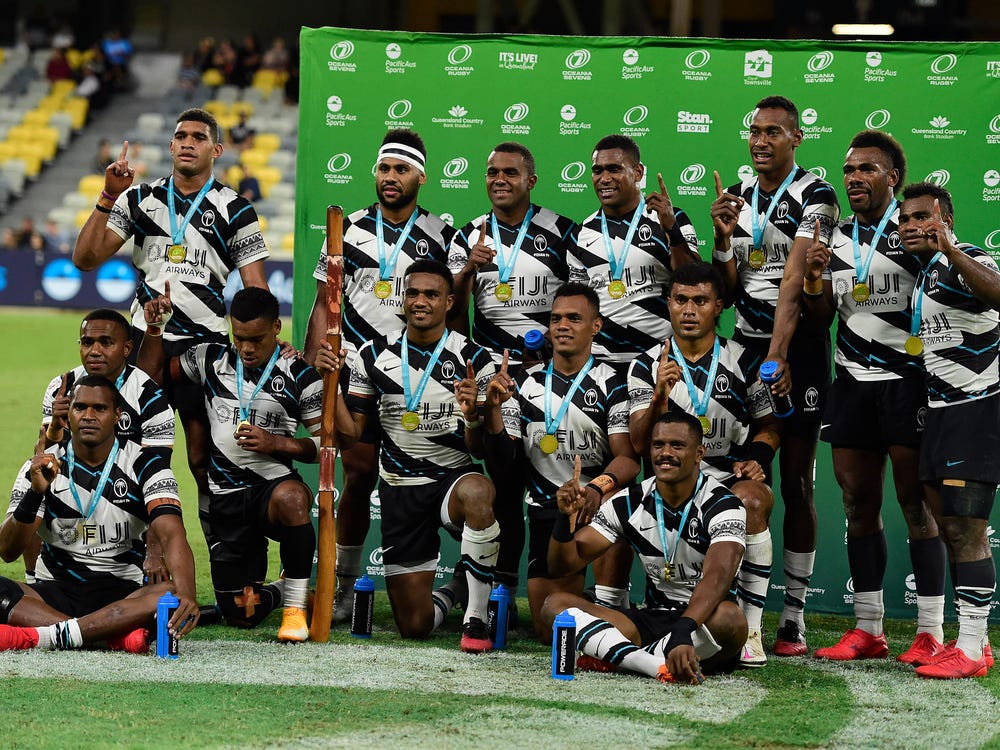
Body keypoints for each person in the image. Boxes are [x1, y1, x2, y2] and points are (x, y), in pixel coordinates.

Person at [72, 107, 270, 568]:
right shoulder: (140, 198)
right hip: (144, 342)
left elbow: (256, 289)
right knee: (135, 454)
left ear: (215, 150)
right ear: (170, 146)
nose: (187, 142)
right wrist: (107, 196)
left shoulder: (235, 208)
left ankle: (223, 559)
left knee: (204, 459)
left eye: (198, 137)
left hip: (206, 347)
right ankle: (140, 561)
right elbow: (85, 258)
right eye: (180, 135)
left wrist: (259, 348)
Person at [799, 132, 947, 664]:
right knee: (859, 504)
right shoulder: (831, 238)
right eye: (849, 169)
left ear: (892, 179)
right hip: (852, 386)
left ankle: (930, 630)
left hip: (909, 384)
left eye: (867, 169)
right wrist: (814, 282)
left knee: (916, 505)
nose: (855, 178)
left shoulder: (915, 236)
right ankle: (868, 629)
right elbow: (819, 321)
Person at [304, 129, 455, 624]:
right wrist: (312, 371)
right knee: (360, 475)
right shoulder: (344, 230)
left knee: (428, 470)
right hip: (358, 376)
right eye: (384, 169)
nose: (391, 178)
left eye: (401, 170)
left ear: (421, 177)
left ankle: (463, 587)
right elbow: (324, 306)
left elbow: (455, 312)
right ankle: (343, 588)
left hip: (421, 378)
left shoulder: (442, 234)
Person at [710, 95, 840, 664]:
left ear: (796, 138)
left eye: (771, 132)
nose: (759, 141)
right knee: (740, 471)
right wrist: (721, 242)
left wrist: (778, 356)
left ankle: (794, 616)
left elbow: (794, 280)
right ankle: (738, 608)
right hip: (742, 350)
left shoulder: (817, 195)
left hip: (798, 352)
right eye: (753, 132)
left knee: (796, 482)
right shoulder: (742, 196)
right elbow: (732, 290)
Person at [317, 259, 500, 652]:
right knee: (415, 627)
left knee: (479, 493)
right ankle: (457, 588)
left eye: (431, 294)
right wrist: (327, 384)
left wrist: (473, 417)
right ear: (402, 298)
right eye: (413, 293)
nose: (420, 301)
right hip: (401, 491)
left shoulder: (473, 358)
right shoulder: (372, 355)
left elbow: (481, 450)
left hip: (451, 482)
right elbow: (351, 435)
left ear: (449, 302)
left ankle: (476, 620)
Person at [139, 286, 321, 642]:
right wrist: (155, 330)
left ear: (276, 328)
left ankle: (295, 610)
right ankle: (284, 589)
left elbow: (324, 447)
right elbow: (149, 378)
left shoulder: (299, 373)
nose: (247, 348)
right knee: (238, 612)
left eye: (256, 339)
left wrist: (276, 443)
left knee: (294, 499)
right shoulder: (209, 358)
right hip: (226, 499)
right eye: (240, 338)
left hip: (273, 489)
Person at [448, 141, 577, 618]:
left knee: (548, 482)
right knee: (502, 485)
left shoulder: (562, 231)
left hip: (550, 378)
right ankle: (497, 594)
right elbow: (453, 318)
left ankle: (555, 585)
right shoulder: (467, 236)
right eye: (491, 172)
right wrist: (466, 271)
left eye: (509, 172)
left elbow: (579, 306)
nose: (499, 179)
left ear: (531, 180)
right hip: (492, 377)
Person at [627, 261, 778, 664]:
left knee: (753, 500)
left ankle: (752, 629)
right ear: (668, 304)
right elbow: (641, 444)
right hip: (671, 488)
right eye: (680, 300)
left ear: (719, 307)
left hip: (727, 480)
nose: (689, 310)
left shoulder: (744, 360)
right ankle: (647, 612)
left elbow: (769, 427)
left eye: (700, 301)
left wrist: (755, 459)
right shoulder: (646, 364)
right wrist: (660, 395)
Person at [481, 282, 639, 640]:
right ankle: (608, 614)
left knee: (618, 501)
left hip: (594, 508)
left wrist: (598, 490)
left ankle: (614, 606)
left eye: (573, 318)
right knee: (546, 627)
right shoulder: (520, 384)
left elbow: (628, 459)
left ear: (596, 326)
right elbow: (504, 465)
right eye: (556, 319)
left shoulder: (612, 383)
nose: (562, 326)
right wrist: (491, 412)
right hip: (547, 511)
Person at [540, 411, 747, 684]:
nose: (666, 453)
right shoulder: (628, 502)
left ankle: (619, 654)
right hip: (650, 619)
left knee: (731, 620)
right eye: (658, 444)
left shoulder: (724, 504)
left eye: (677, 445)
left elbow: (718, 576)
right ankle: (651, 664)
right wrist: (562, 517)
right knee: (554, 605)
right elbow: (563, 565)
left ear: (699, 453)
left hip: (703, 622)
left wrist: (684, 630)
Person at [0, 376, 199, 653]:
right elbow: (8, 550)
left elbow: (172, 533)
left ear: (117, 415)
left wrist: (187, 593)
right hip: (55, 591)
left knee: (170, 592)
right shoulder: (43, 465)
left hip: (123, 593)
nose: (89, 416)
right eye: (80, 407)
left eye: (100, 409)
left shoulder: (145, 464)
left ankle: (48, 635)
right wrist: (35, 492)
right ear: (67, 416)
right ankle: (108, 637)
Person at [897, 183, 1000, 679]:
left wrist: (953, 249)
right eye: (905, 220)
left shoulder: (967, 258)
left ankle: (974, 649)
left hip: (977, 409)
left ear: (947, 220)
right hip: (940, 412)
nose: (913, 227)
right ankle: (967, 641)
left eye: (923, 217)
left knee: (966, 529)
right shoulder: (924, 276)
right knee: (949, 528)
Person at [34, 308, 175, 583]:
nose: (94, 351)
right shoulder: (61, 388)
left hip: (128, 500)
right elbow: (43, 457)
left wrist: (156, 551)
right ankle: (36, 582)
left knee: (155, 591)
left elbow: (159, 477)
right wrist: (53, 428)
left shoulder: (150, 398)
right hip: (72, 490)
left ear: (126, 348)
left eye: (105, 343)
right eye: (87, 343)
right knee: (30, 495)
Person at [568, 133, 701, 370]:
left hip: (662, 358)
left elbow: (694, 280)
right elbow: (577, 305)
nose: (604, 179)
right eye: (597, 171)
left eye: (614, 169)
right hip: (601, 363)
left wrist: (671, 229)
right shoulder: (581, 234)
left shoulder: (671, 218)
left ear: (638, 172)